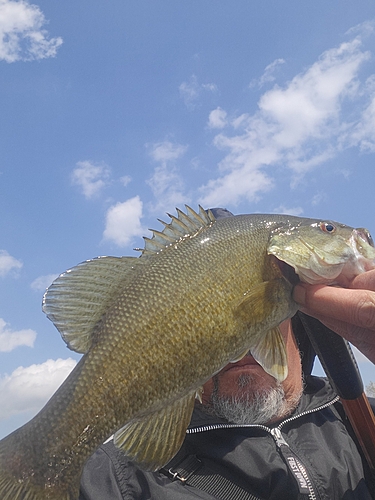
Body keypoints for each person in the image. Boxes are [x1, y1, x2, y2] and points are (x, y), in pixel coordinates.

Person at [79, 210, 375, 500]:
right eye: (209, 316)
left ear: (299, 317)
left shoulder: (363, 418)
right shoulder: (117, 480)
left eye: (256, 318)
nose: (242, 344)